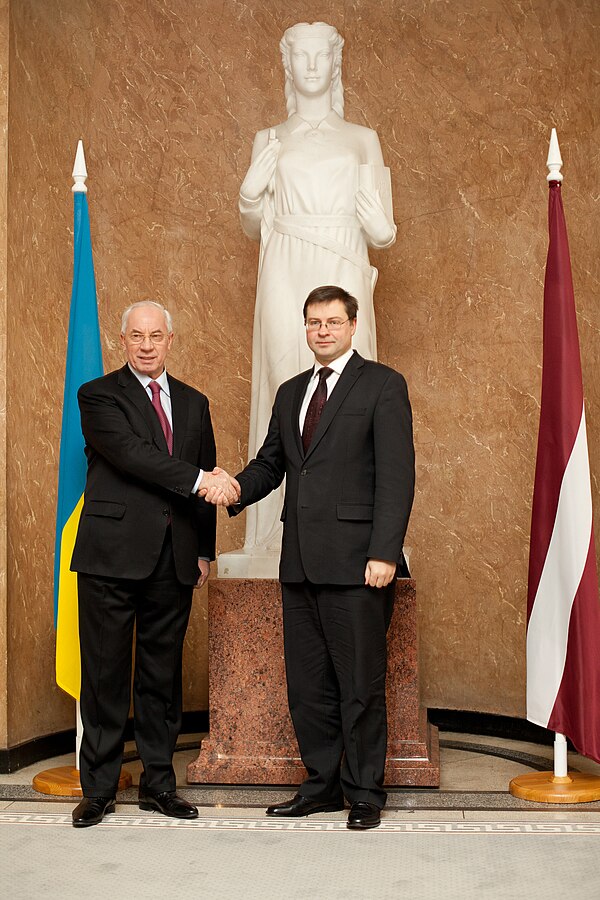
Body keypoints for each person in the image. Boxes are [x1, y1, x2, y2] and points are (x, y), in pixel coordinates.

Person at [208, 285, 414, 830]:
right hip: (298, 563)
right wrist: (233, 488)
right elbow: (271, 463)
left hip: (358, 565)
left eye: (332, 322)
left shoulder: (383, 385)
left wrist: (384, 552)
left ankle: (365, 792)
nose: (322, 330)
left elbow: (397, 476)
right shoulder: (291, 391)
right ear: (305, 328)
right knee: (308, 685)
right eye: (313, 322)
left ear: (352, 326)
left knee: (360, 685)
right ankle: (320, 786)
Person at [70, 300, 238, 828]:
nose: (146, 344)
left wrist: (205, 549)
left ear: (171, 340)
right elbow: (134, 454)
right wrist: (200, 480)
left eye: (156, 335)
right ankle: (97, 789)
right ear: (123, 341)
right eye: (136, 335)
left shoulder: (195, 402)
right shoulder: (98, 396)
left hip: (175, 559)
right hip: (110, 559)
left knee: (162, 680)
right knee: (105, 675)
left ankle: (159, 784)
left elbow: (204, 473)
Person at [239, 21, 397, 554]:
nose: (311, 67)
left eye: (319, 57)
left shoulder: (361, 139)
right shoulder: (269, 138)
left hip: (343, 256)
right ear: (287, 66)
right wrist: (248, 195)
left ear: (335, 65)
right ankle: (275, 534)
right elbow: (252, 221)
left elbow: (383, 232)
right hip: (284, 259)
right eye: (300, 57)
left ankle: (353, 531)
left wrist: (378, 225)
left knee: (350, 390)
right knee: (288, 384)